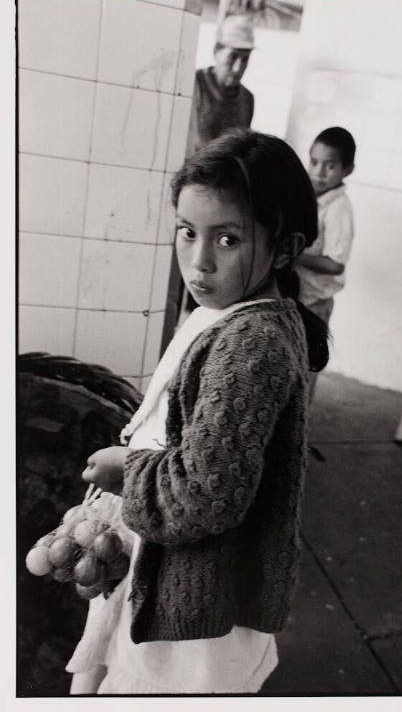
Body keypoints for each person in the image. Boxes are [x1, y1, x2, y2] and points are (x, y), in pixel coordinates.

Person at [66, 128, 329, 695]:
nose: (199, 261)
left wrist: (125, 470)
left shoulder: (252, 342)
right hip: (167, 567)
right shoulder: (226, 312)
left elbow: (205, 493)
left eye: (228, 240)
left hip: (195, 609)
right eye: (187, 233)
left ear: (284, 247)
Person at [294, 126, 356, 403]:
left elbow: (335, 264)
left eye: (330, 166)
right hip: (299, 297)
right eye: (314, 162)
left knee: (305, 368)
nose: (319, 172)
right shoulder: (310, 198)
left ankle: (298, 434)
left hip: (316, 303)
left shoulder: (339, 209)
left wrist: (293, 254)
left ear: (348, 170)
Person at [185, 15, 255, 159]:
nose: (237, 68)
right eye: (233, 56)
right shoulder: (194, 84)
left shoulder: (247, 100)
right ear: (217, 50)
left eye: (245, 59)